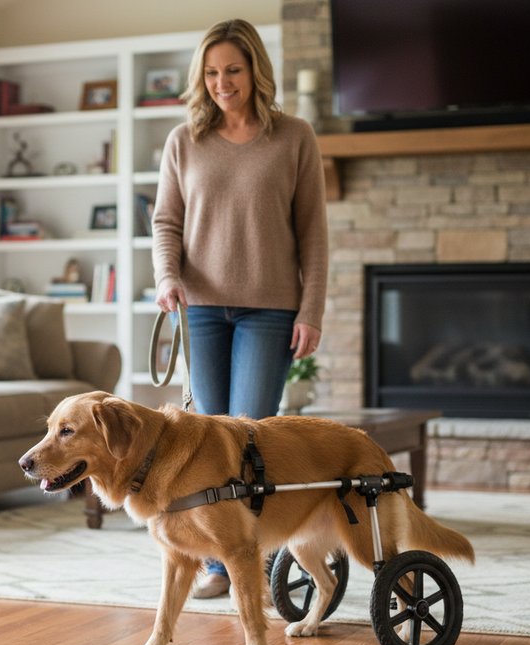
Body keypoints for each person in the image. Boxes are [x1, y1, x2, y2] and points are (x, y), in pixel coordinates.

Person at [151, 19, 329, 599]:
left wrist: (311, 311)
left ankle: (253, 549)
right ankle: (220, 564)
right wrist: (167, 278)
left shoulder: (294, 137)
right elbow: (166, 223)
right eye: (211, 72)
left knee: (250, 436)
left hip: (269, 311)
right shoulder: (185, 141)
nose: (222, 82)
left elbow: (314, 236)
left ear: (255, 71)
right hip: (199, 309)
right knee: (205, 441)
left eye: (233, 70)